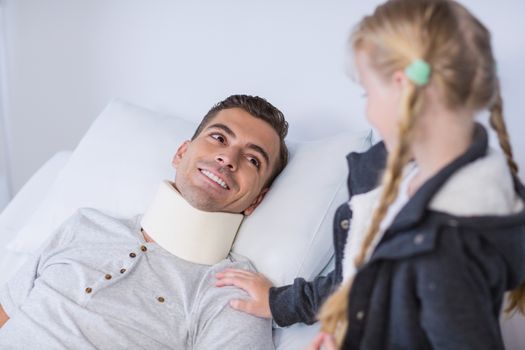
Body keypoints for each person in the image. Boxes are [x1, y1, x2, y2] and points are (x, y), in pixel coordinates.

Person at [217, 1, 525, 349]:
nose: (367, 108)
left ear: (402, 88)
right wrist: (281, 303)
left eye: (368, 93)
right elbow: (359, 278)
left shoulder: (446, 241)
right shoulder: (397, 179)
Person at [0, 94, 289, 350]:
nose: (228, 157)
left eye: (253, 159)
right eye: (219, 138)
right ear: (180, 153)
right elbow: (6, 313)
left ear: (257, 200)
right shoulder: (85, 224)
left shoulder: (232, 289)